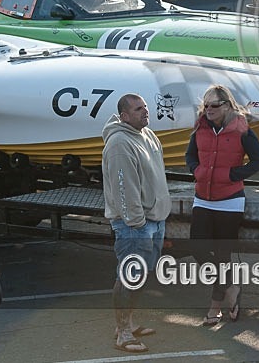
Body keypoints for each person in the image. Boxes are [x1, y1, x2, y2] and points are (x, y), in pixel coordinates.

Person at [185, 85, 259, 326]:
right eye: (206, 105)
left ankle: (214, 308)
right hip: (203, 199)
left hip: (229, 201)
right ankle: (231, 285)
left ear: (227, 106)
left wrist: (232, 175)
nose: (208, 109)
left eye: (214, 105)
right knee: (198, 248)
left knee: (222, 256)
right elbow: (190, 156)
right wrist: (195, 170)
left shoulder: (242, 130)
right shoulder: (200, 127)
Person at [102, 93, 171, 353]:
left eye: (145, 107)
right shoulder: (120, 143)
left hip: (154, 220)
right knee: (129, 277)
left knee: (140, 277)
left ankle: (129, 322)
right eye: (138, 109)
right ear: (124, 116)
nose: (145, 112)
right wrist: (137, 223)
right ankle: (123, 334)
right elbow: (125, 189)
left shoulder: (148, 134)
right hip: (135, 225)